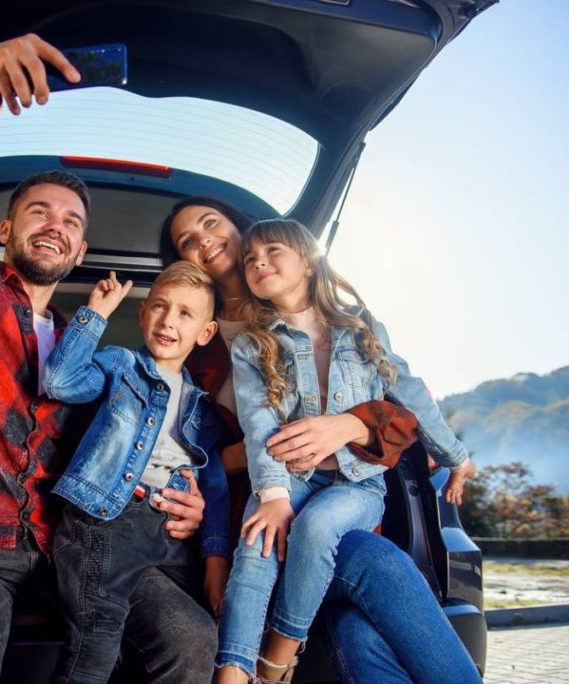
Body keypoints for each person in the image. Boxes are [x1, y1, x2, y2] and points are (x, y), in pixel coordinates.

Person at [0, 35, 213, 683]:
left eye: (70, 220)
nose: (55, 224)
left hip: (70, 547)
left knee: (192, 640)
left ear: (81, 245)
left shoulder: (85, 350)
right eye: (39, 210)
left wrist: (187, 496)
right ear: (5, 231)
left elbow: (123, 452)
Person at [160, 198, 480, 683]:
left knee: (366, 599)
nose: (204, 240)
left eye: (211, 224)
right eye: (188, 241)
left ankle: (273, 664)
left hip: (344, 496)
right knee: (334, 571)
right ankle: (243, 670)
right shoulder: (197, 346)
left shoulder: (354, 327)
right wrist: (231, 528)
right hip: (267, 494)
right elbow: (199, 450)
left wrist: (354, 424)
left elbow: (404, 408)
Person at [43, 263, 230, 683]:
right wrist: (96, 314)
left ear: (206, 332)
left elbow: (214, 489)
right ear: (143, 314)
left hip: (170, 543)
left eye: (186, 313)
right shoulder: (120, 365)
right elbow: (60, 382)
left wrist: (215, 558)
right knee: (94, 651)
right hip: (107, 521)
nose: (168, 320)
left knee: (198, 640)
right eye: (160, 307)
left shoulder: (203, 409)